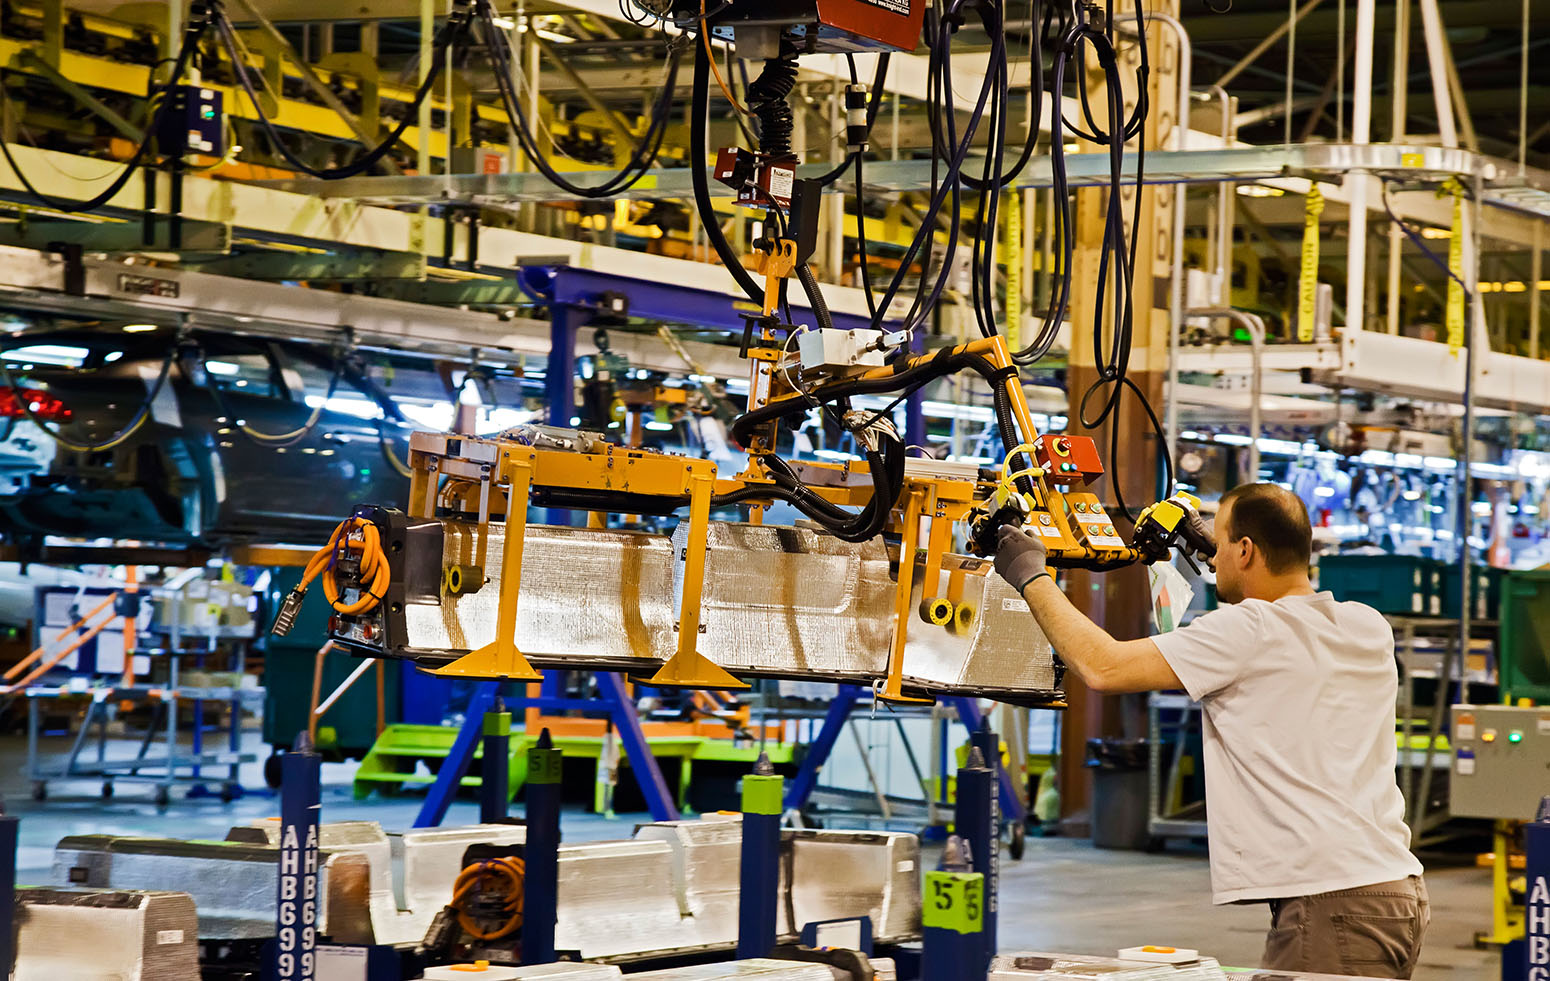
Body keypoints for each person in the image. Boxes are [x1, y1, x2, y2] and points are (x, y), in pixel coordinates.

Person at [993, 482, 1428, 979]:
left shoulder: (1249, 632)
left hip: (1331, 904)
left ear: (1245, 549)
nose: (1213, 552)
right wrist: (1220, 557)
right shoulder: (1366, 625)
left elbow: (1102, 667)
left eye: (1220, 542)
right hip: (1393, 891)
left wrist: (1031, 575)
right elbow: (1282, 609)